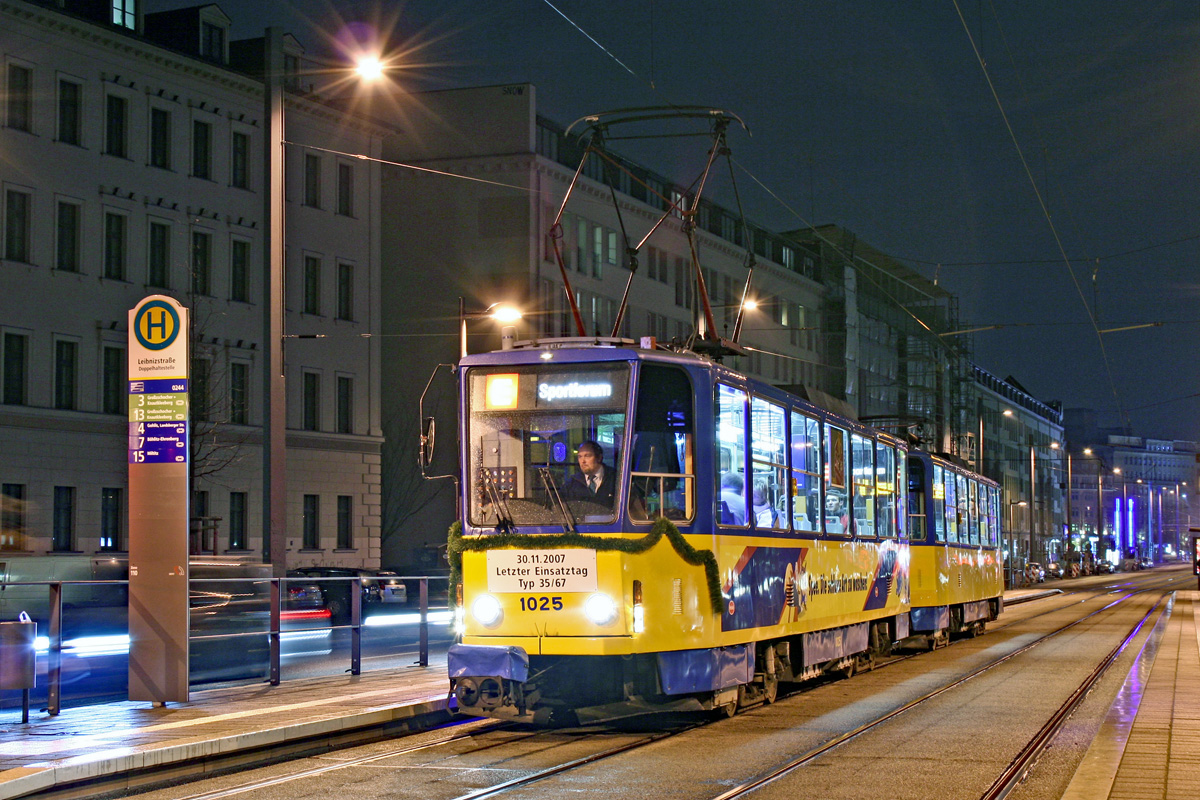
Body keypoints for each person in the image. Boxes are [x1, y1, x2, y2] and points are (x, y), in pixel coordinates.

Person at [563, 440, 616, 505]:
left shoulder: (616, 479)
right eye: (580, 457)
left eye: (587, 456)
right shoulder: (572, 484)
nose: (583, 461)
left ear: (599, 458)